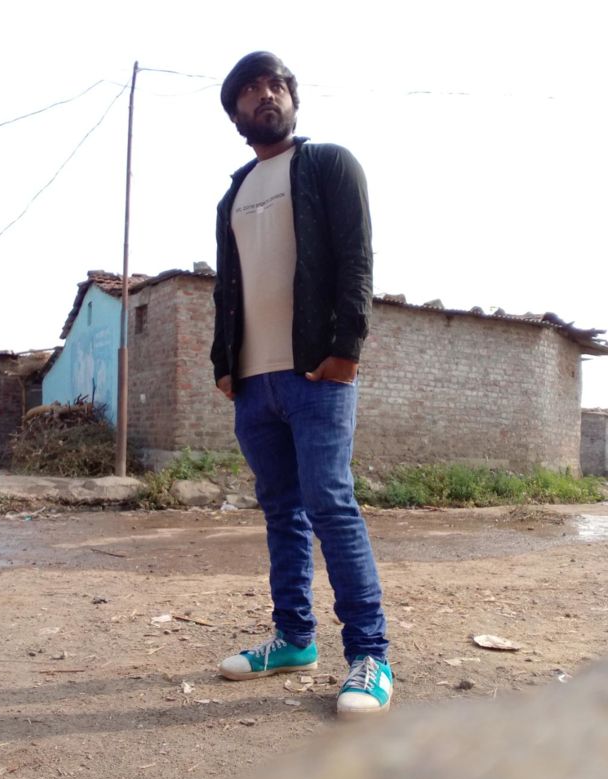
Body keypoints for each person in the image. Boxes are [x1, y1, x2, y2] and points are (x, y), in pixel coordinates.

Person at [211, 51, 391, 718]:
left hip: (316, 374)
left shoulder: (328, 165)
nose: (267, 94)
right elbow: (227, 287)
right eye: (251, 89)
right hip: (254, 383)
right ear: (236, 113)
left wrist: (347, 350)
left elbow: (356, 260)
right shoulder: (232, 194)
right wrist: (223, 362)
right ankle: (293, 638)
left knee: (330, 506)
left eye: (276, 84)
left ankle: (370, 655)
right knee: (280, 511)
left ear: (291, 97)